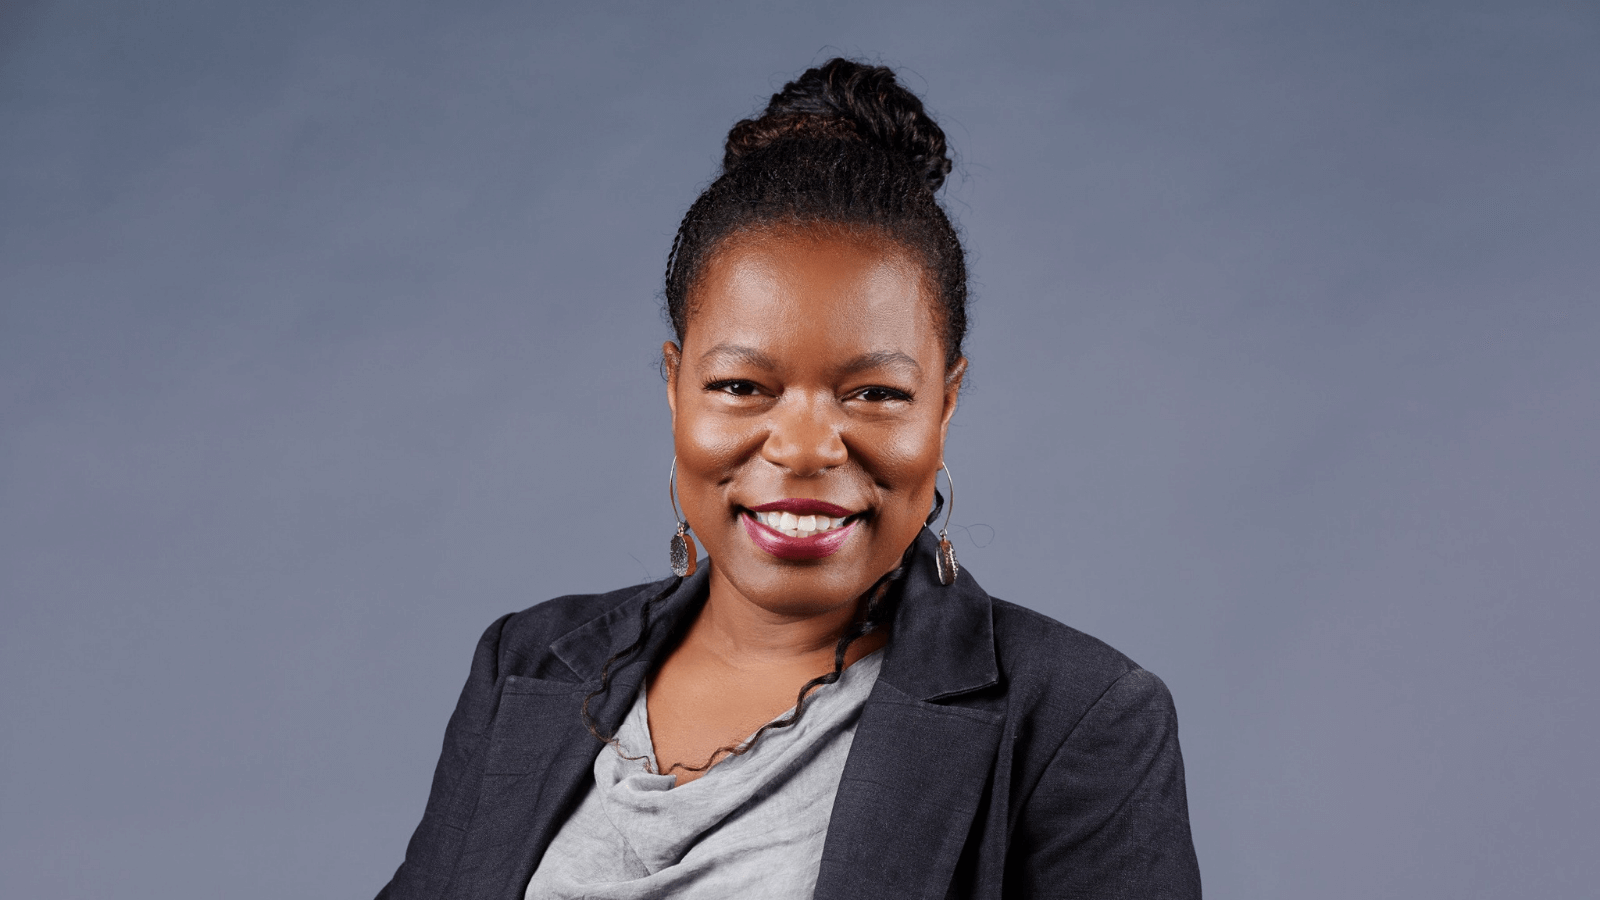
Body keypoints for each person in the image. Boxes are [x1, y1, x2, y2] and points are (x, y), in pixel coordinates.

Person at [377, 59, 1201, 900]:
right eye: (741, 386)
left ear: (944, 405)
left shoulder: (1078, 717)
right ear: (674, 386)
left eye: (875, 393)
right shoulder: (528, 666)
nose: (806, 449)